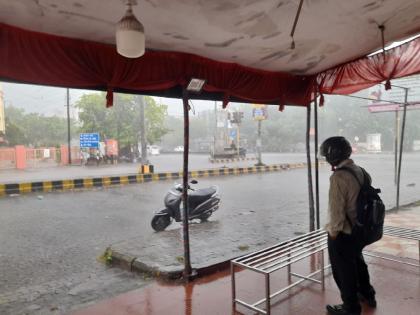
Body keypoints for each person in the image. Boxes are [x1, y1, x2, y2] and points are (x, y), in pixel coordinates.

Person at [320, 136, 376, 315]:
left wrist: (334, 235)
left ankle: (351, 308)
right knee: (358, 262)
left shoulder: (338, 177)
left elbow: (336, 212)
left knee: (343, 271)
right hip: (361, 229)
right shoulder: (360, 170)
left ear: (332, 155)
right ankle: (367, 294)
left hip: (344, 232)